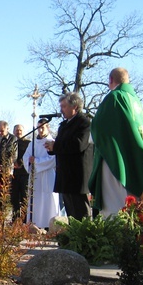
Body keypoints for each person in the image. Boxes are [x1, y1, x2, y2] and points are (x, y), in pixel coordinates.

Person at [89, 67, 143, 216]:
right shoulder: (134, 100)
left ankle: (115, 232)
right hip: (133, 155)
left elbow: (98, 127)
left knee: (115, 203)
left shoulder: (114, 97)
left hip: (115, 158)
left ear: (111, 80)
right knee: (132, 199)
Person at [44, 92, 92, 220]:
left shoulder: (84, 123)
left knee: (80, 211)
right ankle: (73, 237)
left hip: (77, 175)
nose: (61, 110)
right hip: (65, 174)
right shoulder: (64, 125)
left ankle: (84, 238)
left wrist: (56, 146)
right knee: (70, 211)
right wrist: (52, 148)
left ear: (75, 107)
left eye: (64, 106)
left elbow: (79, 145)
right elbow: (61, 145)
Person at [23, 118, 60, 229]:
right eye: (38, 128)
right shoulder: (33, 143)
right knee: (35, 199)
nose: (40, 130)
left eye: (42, 128)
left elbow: (53, 159)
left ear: (48, 128)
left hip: (48, 175)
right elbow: (25, 156)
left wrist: (37, 161)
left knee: (48, 199)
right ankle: (34, 224)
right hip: (35, 175)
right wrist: (29, 160)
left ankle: (50, 225)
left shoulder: (51, 142)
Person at [11, 124, 30, 221]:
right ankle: (15, 219)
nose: (18, 132)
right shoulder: (11, 142)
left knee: (24, 197)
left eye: (20, 130)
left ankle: (24, 219)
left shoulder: (28, 143)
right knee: (13, 198)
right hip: (13, 174)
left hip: (24, 173)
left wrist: (20, 164)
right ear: (13, 131)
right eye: (16, 130)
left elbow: (29, 156)